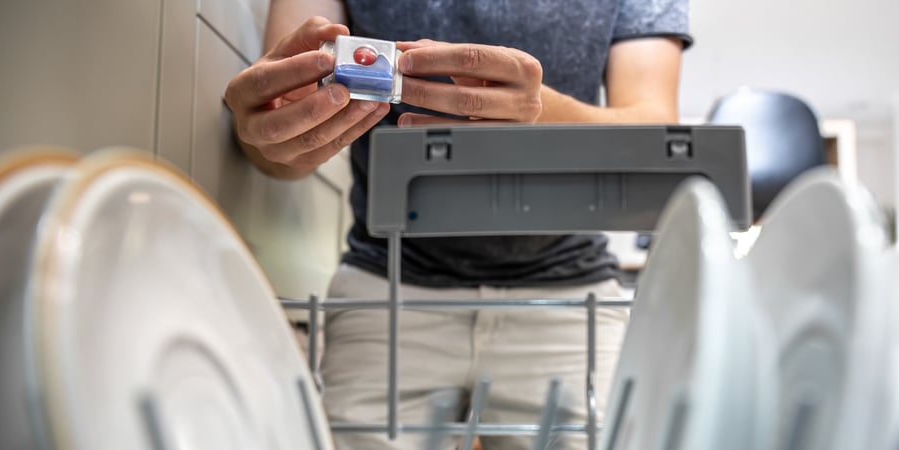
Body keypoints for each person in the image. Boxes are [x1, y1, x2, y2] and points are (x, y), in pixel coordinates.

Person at [224, 0, 690, 448]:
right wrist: (271, 132)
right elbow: (281, 146)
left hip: (568, 287)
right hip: (387, 283)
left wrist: (542, 113)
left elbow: (653, 137)